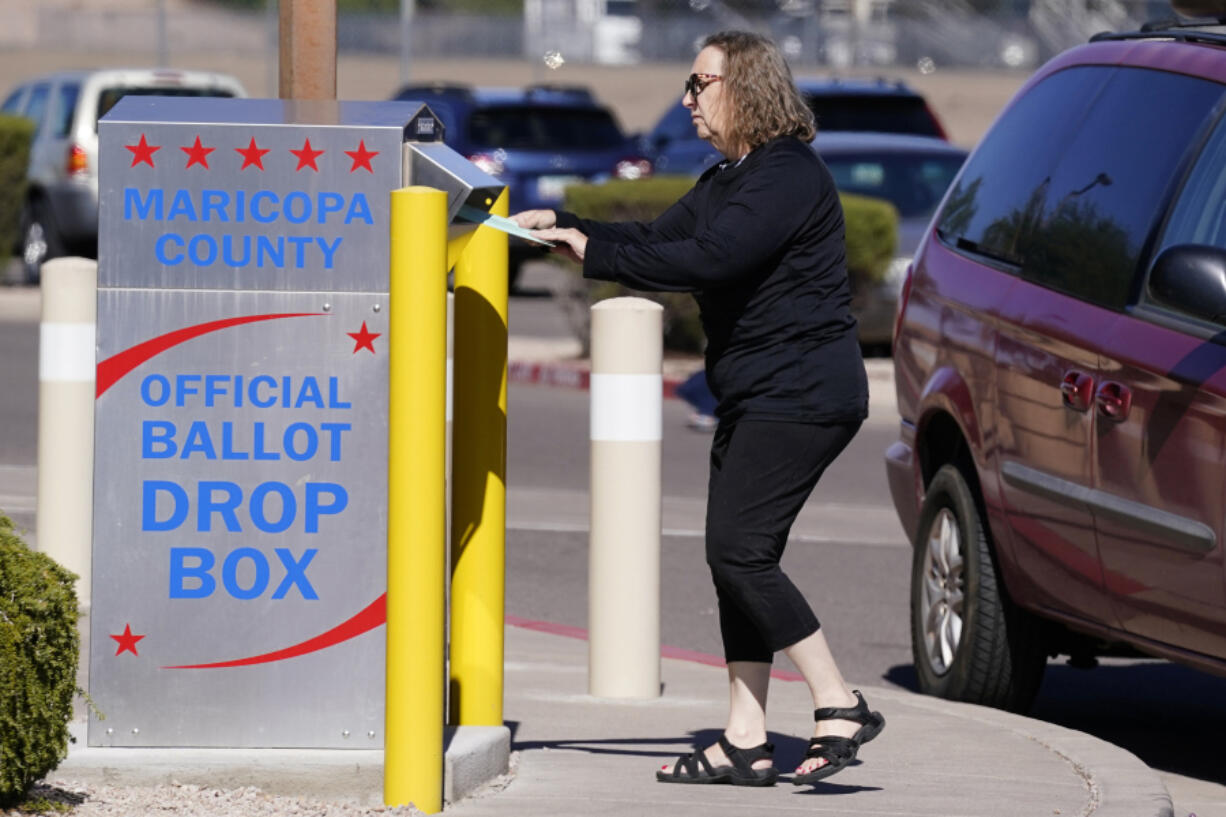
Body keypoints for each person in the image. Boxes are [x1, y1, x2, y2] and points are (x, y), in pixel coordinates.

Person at [511, 30, 883, 787]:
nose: (687, 98)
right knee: (738, 563)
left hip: (803, 392)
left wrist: (600, 255)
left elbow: (710, 259)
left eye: (700, 82)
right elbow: (657, 237)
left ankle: (838, 700)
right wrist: (566, 235)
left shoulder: (787, 177)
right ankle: (745, 736)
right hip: (759, 391)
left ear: (745, 87)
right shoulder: (731, 177)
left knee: (738, 551)